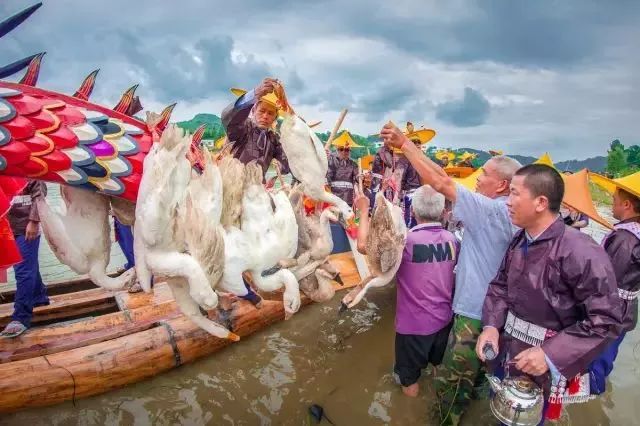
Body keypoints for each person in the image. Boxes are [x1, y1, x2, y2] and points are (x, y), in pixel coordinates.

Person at [379, 122, 521, 425]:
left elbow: (442, 182)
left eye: (483, 175)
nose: (478, 179)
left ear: (501, 186)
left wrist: (405, 144)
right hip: (500, 317)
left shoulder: (490, 211)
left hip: (474, 315)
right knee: (482, 383)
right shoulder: (514, 215)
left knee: (452, 389)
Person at [476, 164, 623, 422]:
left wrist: (550, 354)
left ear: (541, 202)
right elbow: (500, 286)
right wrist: (490, 326)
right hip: (509, 351)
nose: (507, 202)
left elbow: (606, 320)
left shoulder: (582, 252)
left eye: (514, 193)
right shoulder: (521, 239)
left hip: (544, 365)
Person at [354, 185, 458, 397]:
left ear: (413, 212)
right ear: (442, 212)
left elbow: (364, 245)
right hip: (444, 322)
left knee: (408, 380)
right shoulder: (453, 240)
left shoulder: (404, 243)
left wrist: (364, 210)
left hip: (413, 328)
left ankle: (409, 412)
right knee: (435, 365)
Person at [588, 186, 640, 395]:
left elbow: (606, 280)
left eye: (615, 199)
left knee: (595, 362)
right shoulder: (633, 233)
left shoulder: (625, 239)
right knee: (607, 356)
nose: (612, 203)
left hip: (611, 312)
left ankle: (591, 400)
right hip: (625, 310)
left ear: (627, 205)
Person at [1, 180, 48, 338]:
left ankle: (21, 318)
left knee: (23, 270)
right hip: (8, 226)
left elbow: (39, 196)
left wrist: (34, 222)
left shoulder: (29, 168)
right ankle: (39, 297)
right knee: (27, 267)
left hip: (25, 227)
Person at [221, 78, 289, 181]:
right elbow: (228, 118)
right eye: (262, 111)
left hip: (258, 191)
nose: (265, 116)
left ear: (275, 118)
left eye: (270, 113)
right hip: (233, 186)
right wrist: (255, 94)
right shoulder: (243, 128)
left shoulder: (274, 139)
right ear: (253, 110)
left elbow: (287, 165)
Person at [326, 142, 359, 206]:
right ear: (337, 150)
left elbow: (357, 180)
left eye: (346, 150)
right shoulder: (331, 160)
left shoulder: (354, 164)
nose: (344, 152)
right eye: (341, 149)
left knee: (346, 216)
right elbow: (326, 177)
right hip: (334, 197)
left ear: (349, 151)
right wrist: (325, 157)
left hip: (348, 198)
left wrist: (361, 177)